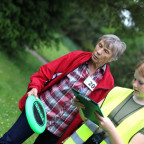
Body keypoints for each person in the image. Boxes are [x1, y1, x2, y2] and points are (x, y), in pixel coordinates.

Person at [0, 34, 126, 144]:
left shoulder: (107, 83)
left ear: (112, 59)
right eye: (100, 45)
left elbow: (91, 114)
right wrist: (34, 87)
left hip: (60, 128)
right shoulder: (77, 57)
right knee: (9, 141)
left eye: (106, 51)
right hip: (40, 109)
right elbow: (46, 71)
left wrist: (74, 134)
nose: (99, 51)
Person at [66, 61, 144, 144]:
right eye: (134, 78)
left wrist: (110, 130)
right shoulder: (117, 91)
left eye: (141, 82)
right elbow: (88, 119)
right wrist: (81, 106)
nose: (135, 84)